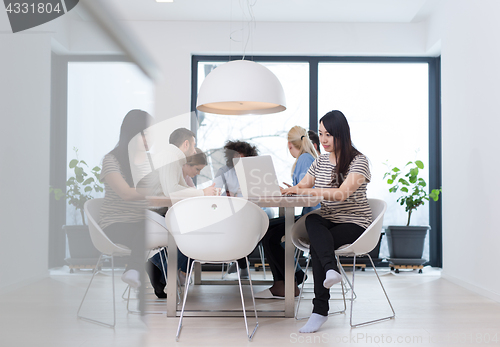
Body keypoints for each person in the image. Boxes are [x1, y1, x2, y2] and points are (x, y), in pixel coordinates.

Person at [281, 110, 372, 333]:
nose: (323, 139)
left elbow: (341, 193)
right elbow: (304, 184)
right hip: (330, 219)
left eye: (328, 134)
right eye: (321, 134)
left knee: (319, 244)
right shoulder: (320, 161)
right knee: (313, 222)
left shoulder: (359, 162)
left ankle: (319, 311)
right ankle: (331, 270)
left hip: (356, 224)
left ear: (342, 134)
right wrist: (290, 190)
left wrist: (314, 191)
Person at [256, 126, 320, 299]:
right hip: (313, 216)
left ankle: (286, 283)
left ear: (290, 145)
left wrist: (292, 191)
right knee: (269, 230)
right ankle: (292, 278)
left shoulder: (304, 159)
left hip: (312, 219)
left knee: (268, 232)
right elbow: (305, 188)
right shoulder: (308, 158)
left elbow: (307, 194)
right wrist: (291, 190)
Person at [98, 109, 154, 290]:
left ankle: (137, 271)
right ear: (130, 134)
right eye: (144, 135)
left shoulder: (151, 162)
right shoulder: (111, 160)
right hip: (115, 224)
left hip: (142, 222)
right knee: (149, 230)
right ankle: (135, 269)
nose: (149, 140)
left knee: (161, 227)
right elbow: (126, 193)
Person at [146, 148, 208, 298]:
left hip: (169, 217)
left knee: (196, 232)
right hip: (157, 218)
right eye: (197, 169)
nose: (198, 173)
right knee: (193, 235)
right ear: (185, 164)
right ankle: (168, 271)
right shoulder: (173, 176)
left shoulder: (185, 178)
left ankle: (159, 266)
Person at [214, 140, 259, 278]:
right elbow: (216, 192)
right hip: (232, 211)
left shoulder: (255, 172)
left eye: (242, 158)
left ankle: (241, 262)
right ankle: (243, 263)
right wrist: (224, 194)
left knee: (260, 223)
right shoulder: (224, 171)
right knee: (237, 224)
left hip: (253, 209)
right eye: (236, 157)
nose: (239, 161)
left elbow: (261, 193)